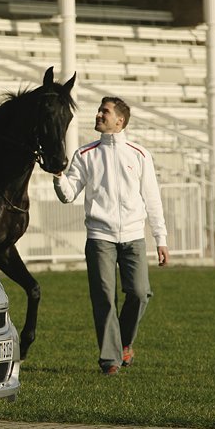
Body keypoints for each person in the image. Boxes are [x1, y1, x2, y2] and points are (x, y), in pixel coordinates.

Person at [53, 96, 169, 376]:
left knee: (139, 294)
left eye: (105, 111)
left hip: (133, 236)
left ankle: (125, 343)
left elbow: (152, 199)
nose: (98, 115)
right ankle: (110, 360)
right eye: (99, 110)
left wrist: (160, 238)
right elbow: (69, 195)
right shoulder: (84, 154)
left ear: (120, 121)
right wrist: (58, 176)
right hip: (99, 237)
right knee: (104, 297)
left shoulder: (139, 154)